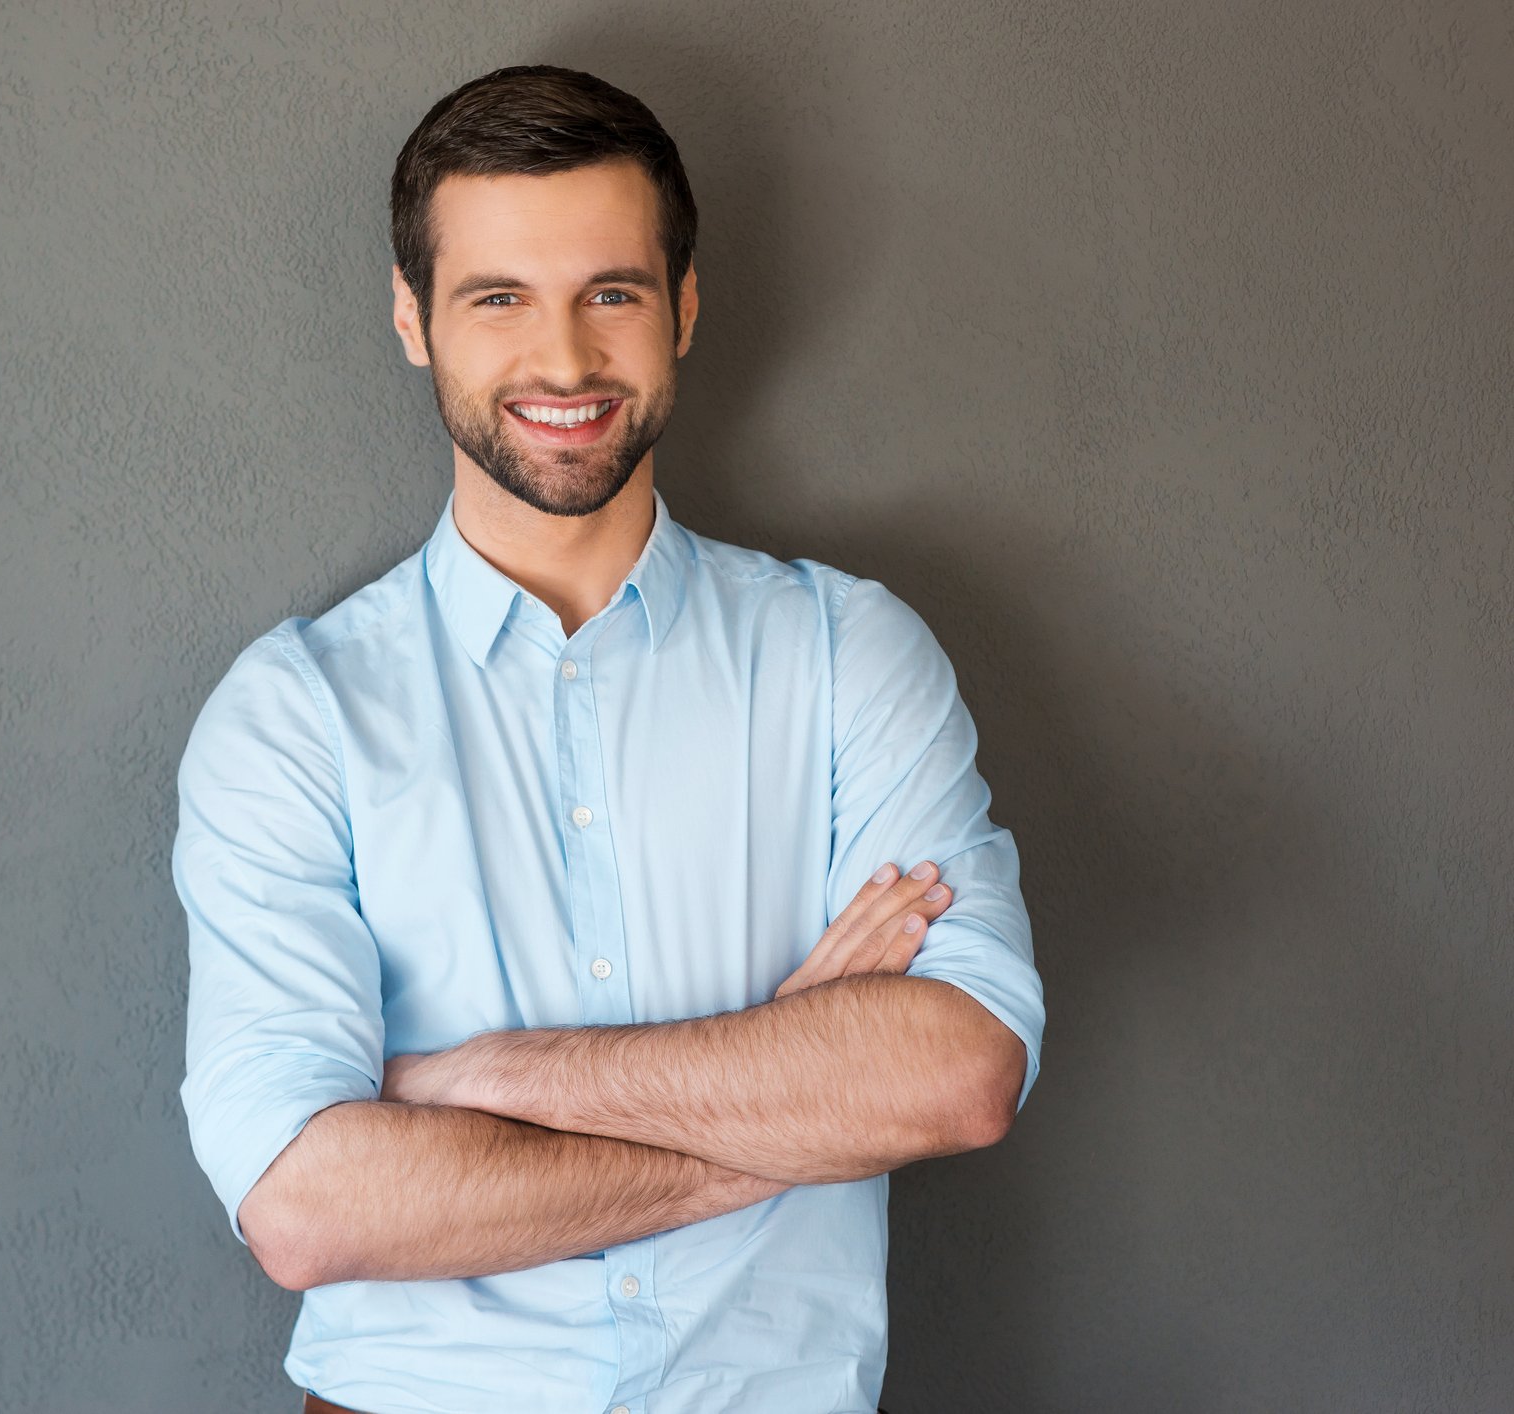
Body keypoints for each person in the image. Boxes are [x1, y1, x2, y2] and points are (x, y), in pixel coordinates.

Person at [171, 64, 1045, 1414]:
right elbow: (308, 1205)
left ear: (684, 306)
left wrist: (510, 1078)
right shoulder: (292, 717)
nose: (566, 360)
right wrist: (789, 1093)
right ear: (413, 318)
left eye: (612, 293)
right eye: (498, 298)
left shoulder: (845, 655)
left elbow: (960, 1068)